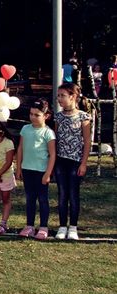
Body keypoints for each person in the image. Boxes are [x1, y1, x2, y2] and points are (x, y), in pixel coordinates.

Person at [54, 83, 91, 240]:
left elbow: (87, 142)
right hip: (61, 161)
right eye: (58, 96)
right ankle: (62, 226)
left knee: (73, 194)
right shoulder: (58, 116)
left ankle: (73, 227)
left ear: (73, 96)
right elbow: (55, 140)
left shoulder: (83, 117)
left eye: (62, 95)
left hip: (76, 161)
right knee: (62, 194)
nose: (59, 99)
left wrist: (83, 163)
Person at [16, 99, 56, 240]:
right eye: (31, 114)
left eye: (37, 115)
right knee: (30, 199)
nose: (33, 117)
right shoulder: (25, 129)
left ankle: (43, 227)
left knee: (43, 199)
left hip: (41, 171)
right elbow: (20, 148)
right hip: (27, 169)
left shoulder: (48, 133)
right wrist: (18, 167)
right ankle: (29, 226)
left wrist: (48, 173)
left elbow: (52, 155)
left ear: (46, 116)